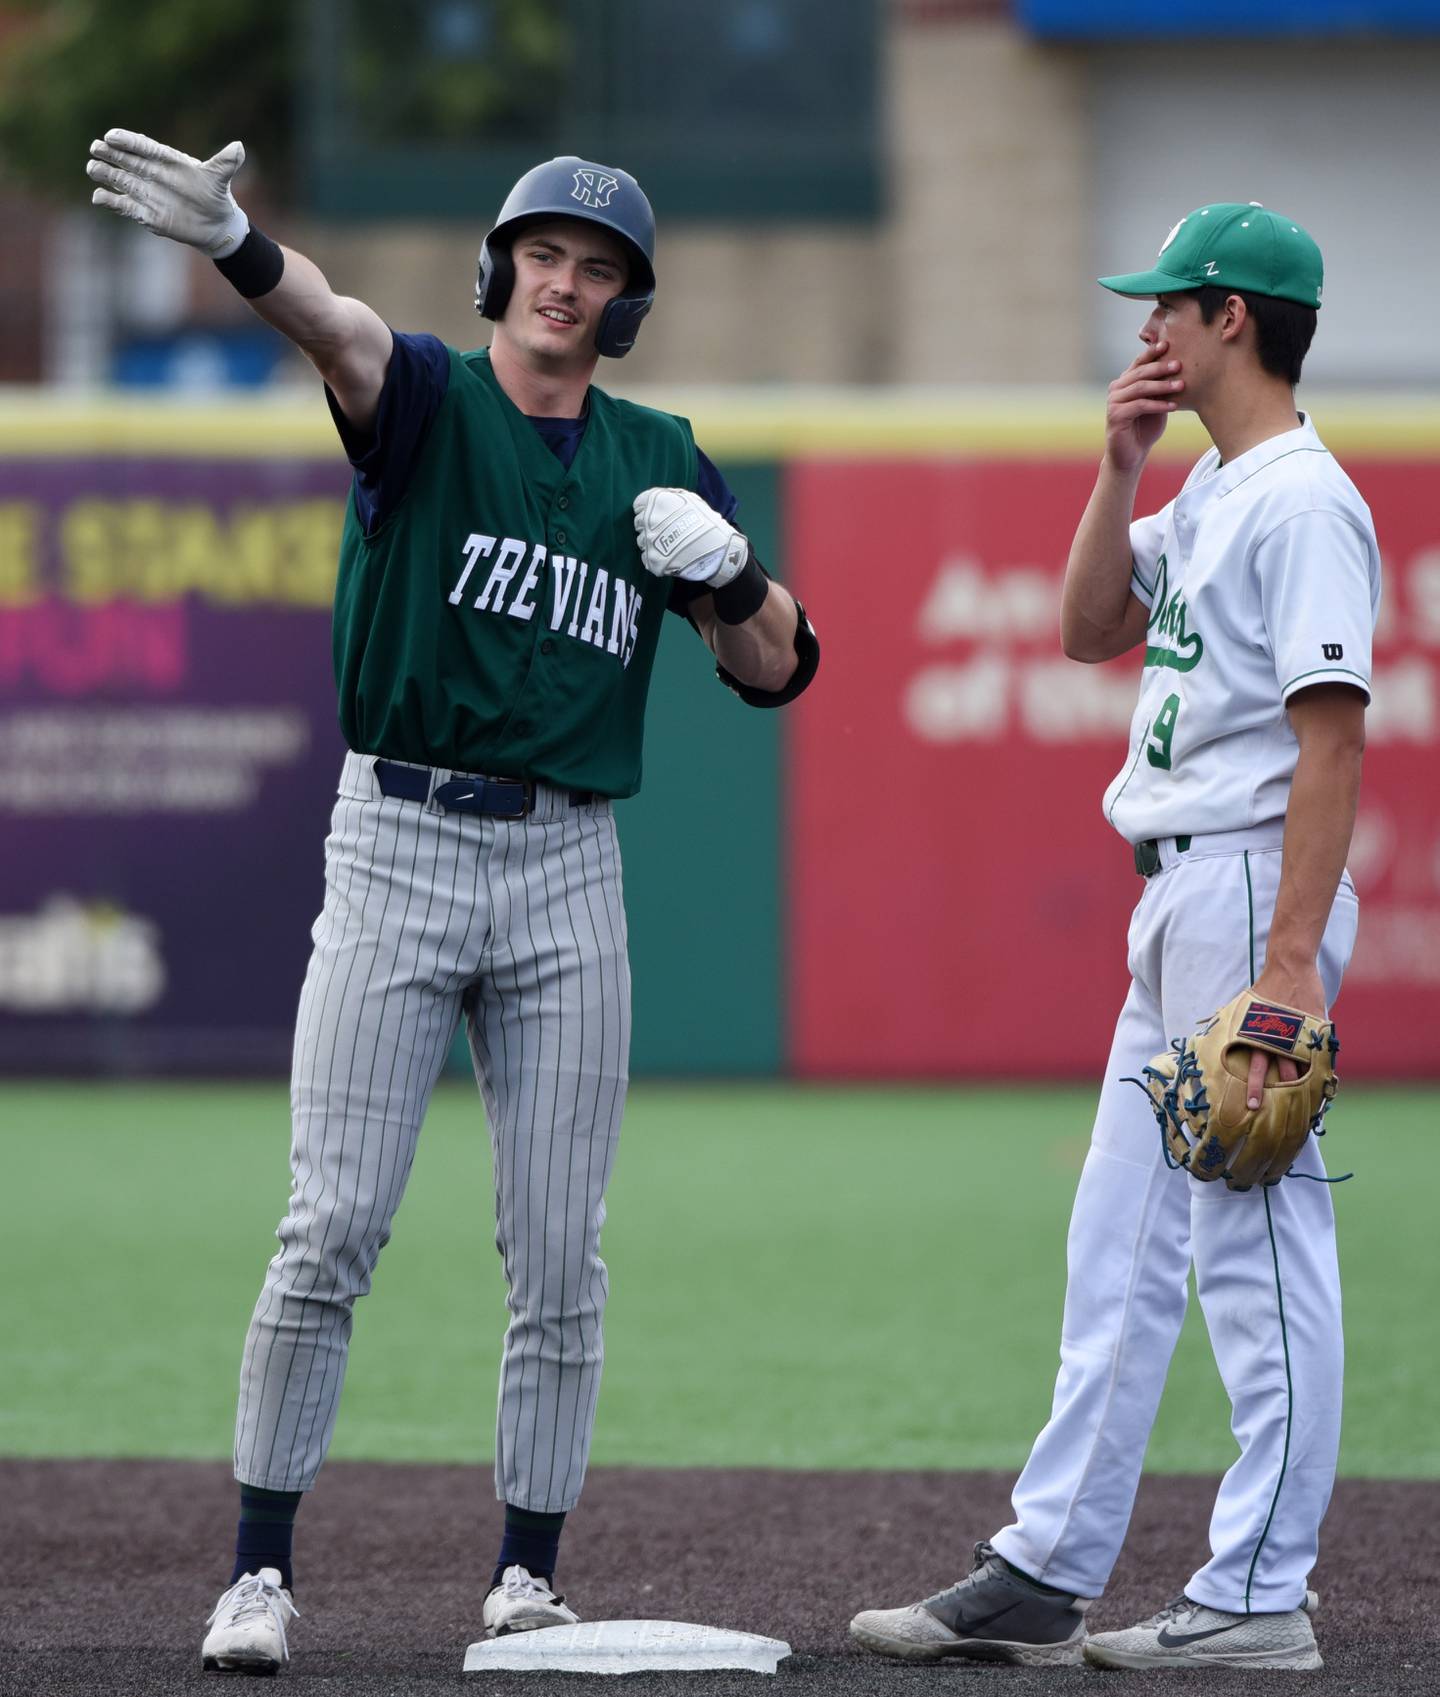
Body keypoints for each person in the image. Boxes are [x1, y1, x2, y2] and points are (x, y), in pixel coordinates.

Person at [87, 127, 819, 1676]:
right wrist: (239, 243)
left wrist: (740, 576)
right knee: (331, 1220)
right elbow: (338, 327)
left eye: (598, 268)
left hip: (568, 860)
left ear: (625, 306)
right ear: (502, 267)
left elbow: (780, 669)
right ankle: (259, 1572)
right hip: (400, 838)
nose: (567, 283)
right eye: (546, 254)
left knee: (560, 1248)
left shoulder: (659, 457)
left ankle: (528, 1574)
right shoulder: (427, 400)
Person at [849, 203, 1377, 1672]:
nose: (1147, 324)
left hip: (1248, 886)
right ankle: (1045, 1565)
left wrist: (1284, 968)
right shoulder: (1212, 487)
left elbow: (1330, 743)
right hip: (1177, 896)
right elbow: (1090, 625)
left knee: (1259, 1246)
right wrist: (1119, 463)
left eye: (1172, 303)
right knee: (1118, 1246)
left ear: (1236, 319)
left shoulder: (1304, 498)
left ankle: (1263, 1593)